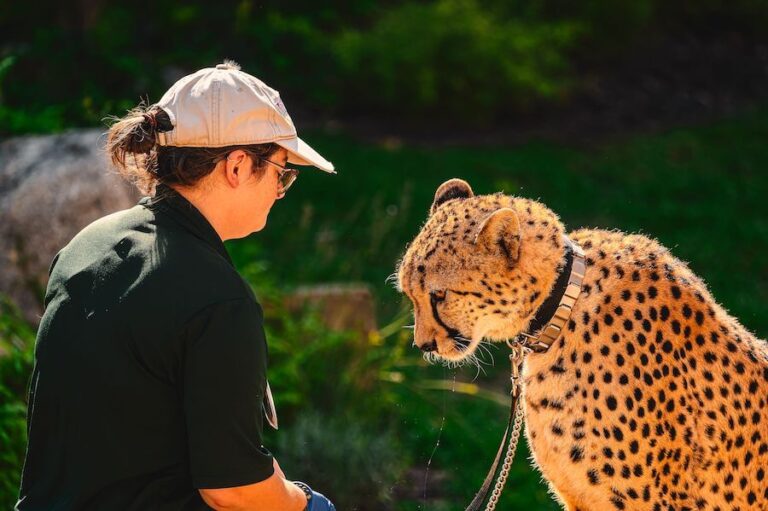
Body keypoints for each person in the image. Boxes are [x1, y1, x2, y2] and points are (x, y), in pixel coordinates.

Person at [16, 61, 336, 511]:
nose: (282, 190)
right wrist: (308, 504)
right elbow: (233, 490)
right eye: (282, 172)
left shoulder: (86, 247)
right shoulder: (219, 301)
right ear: (239, 166)